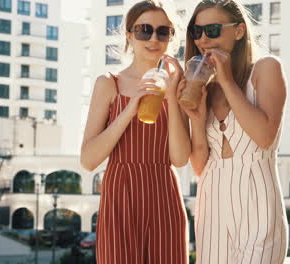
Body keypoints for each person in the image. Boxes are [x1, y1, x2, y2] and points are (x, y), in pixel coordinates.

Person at [178, 0, 288, 263]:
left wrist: (226, 80)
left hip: (258, 201)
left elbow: (264, 136)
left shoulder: (266, 69)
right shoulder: (201, 85)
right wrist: (197, 118)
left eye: (213, 29)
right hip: (211, 201)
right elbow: (199, 165)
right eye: (197, 31)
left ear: (238, 31)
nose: (203, 38)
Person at [80, 1, 190, 263]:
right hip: (120, 194)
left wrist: (173, 96)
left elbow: (180, 158)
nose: (154, 39)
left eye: (163, 32)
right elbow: (88, 160)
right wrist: (130, 108)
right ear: (129, 34)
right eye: (144, 30)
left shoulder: (177, 86)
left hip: (164, 193)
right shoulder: (109, 84)